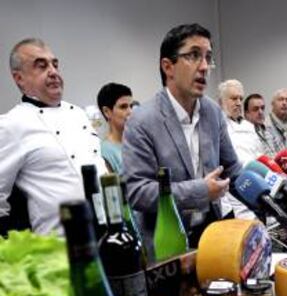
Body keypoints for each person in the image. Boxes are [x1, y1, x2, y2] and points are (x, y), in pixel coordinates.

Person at [123, 23, 242, 254]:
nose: (205, 66)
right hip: (168, 245)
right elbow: (137, 192)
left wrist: (270, 195)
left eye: (208, 57)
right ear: (168, 67)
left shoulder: (212, 112)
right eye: (194, 56)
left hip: (212, 238)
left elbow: (232, 169)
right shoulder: (142, 121)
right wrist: (200, 190)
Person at [0, 38, 106, 236]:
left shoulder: (78, 114)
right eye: (41, 66)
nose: (53, 72)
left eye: (55, 64)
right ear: (19, 78)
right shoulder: (11, 124)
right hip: (59, 246)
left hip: (109, 234)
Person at [218, 80, 263, 166]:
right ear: (221, 102)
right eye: (234, 99)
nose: (239, 103)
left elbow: (259, 154)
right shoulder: (217, 126)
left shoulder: (249, 126)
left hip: (256, 173)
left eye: (241, 99)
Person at [97, 82, 134, 174]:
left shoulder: (138, 143)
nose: (130, 112)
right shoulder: (104, 152)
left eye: (131, 106)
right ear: (107, 112)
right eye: (123, 107)